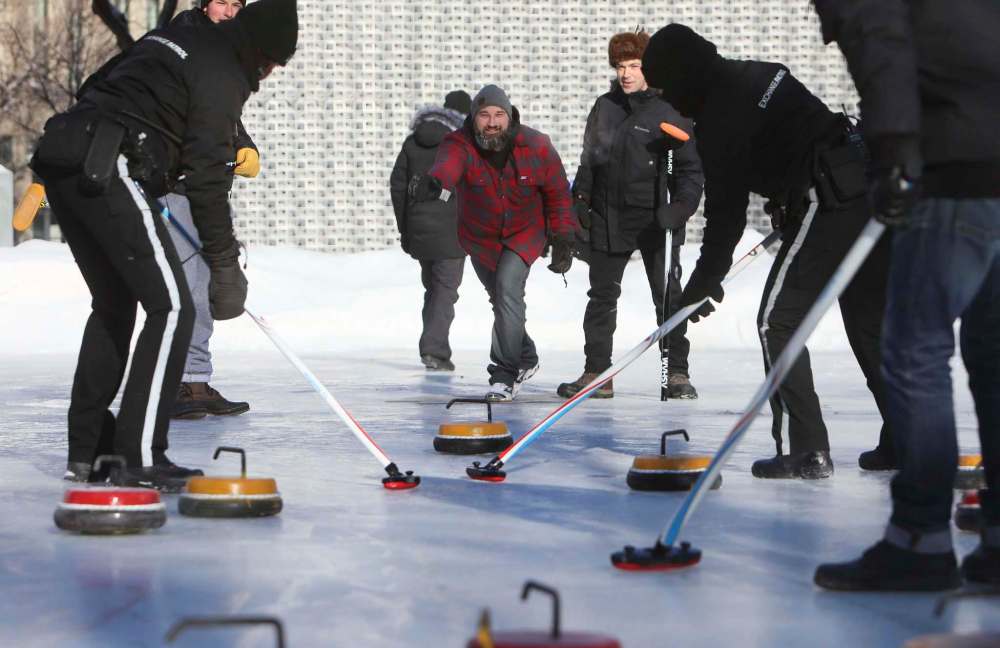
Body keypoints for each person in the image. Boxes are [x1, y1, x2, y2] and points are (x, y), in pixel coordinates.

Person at [30, 0, 298, 488]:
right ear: (260, 52)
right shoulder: (224, 72)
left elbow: (95, 88)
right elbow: (207, 181)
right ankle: (140, 455)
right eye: (276, 61)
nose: (274, 72)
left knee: (114, 305)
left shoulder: (171, 40)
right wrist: (224, 265)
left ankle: (88, 450)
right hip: (110, 165)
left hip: (66, 156)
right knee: (173, 307)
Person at [641, 24, 893, 479]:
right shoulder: (758, 73)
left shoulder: (720, 118)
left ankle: (806, 450)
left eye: (666, 87)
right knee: (869, 324)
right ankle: (906, 439)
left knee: (777, 321)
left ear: (684, 75)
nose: (669, 100)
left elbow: (725, 218)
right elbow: (795, 138)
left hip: (829, 197)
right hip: (864, 192)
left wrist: (700, 286)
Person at [813, 0, 1000, 591]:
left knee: (916, 353)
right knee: (995, 359)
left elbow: (881, 43)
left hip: (953, 168)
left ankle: (918, 539)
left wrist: (894, 149)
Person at [558, 30, 704, 400]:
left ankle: (676, 373)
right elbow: (589, 160)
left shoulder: (672, 110)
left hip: (658, 219)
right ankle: (597, 373)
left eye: (634, 65)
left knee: (668, 296)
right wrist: (580, 201)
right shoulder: (605, 107)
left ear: (648, 67)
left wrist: (680, 209)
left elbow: (690, 173)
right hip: (609, 217)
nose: (626, 73)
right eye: (620, 66)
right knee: (601, 297)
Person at [413, 85, 577, 401]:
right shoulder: (458, 143)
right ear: (474, 118)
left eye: (499, 115)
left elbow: (557, 193)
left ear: (510, 116)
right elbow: (449, 165)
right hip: (481, 237)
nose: (492, 122)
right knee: (501, 299)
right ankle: (525, 356)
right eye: (485, 115)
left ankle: (504, 373)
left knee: (507, 288)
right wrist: (437, 182)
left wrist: (563, 237)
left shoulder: (536, 145)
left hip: (525, 233)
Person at [166, 0, 254, 419]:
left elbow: (221, 116)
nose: (231, 11)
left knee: (202, 290)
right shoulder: (187, 43)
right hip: (177, 186)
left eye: (239, 4)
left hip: (205, 188)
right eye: (223, 2)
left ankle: (192, 380)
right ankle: (182, 384)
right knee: (189, 290)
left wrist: (243, 145)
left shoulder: (221, 54)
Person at [390, 90, 470, 372]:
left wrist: (406, 228)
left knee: (434, 290)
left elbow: (398, 186)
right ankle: (434, 351)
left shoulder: (413, 142)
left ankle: (433, 347)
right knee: (445, 291)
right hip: (452, 232)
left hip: (420, 230)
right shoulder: (462, 144)